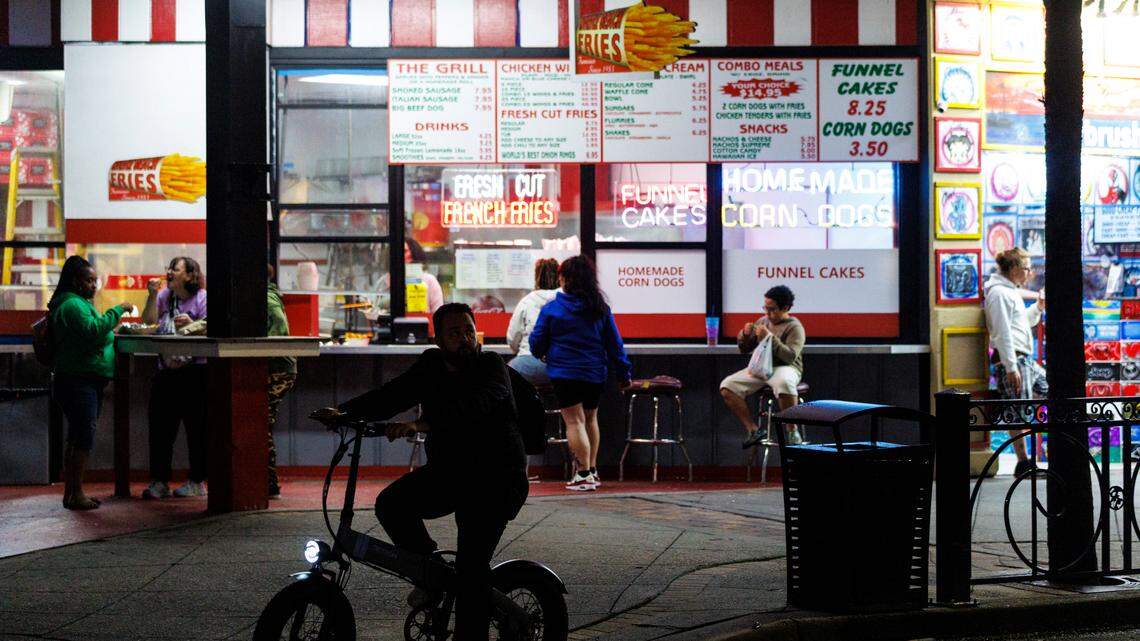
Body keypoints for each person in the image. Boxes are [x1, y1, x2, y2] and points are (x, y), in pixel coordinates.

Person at [327, 303, 528, 641]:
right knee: (392, 504)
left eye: (468, 331)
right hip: (450, 473)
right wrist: (342, 413)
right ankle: (430, 576)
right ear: (438, 340)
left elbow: (475, 406)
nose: (464, 339)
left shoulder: (491, 366)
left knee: (470, 572)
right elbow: (393, 394)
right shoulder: (431, 365)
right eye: (454, 333)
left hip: (495, 479)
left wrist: (421, 423)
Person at [529, 255, 631, 491]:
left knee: (574, 422)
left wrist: (543, 352)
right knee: (591, 419)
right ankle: (592, 470)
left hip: (565, 373)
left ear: (563, 278)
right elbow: (615, 344)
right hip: (595, 373)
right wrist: (624, 374)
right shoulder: (600, 309)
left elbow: (536, 342)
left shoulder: (552, 309)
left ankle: (583, 474)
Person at [49, 256, 133, 510]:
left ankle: (73, 492)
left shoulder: (75, 303)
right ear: (75, 280)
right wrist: (117, 311)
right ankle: (75, 494)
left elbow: (92, 332)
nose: (94, 285)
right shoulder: (72, 305)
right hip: (78, 380)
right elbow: (92, 330)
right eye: (89, 280)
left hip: (81, 379)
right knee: (82, 436)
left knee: (77, 436)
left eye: (95, 280)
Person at [140, 257, 209, 499]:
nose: (169, 272)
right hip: (166, 371)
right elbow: (148, 323)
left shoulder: (202, 298)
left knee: (197, 430)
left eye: (175, 269)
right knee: (160, 429)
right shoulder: (164, 297)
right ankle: (159, 481)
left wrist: (193, 324)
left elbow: (211, 328)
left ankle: (197, 480)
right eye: (169, 268)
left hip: (195, 373)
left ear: (190, 275)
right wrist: (151, 295)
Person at [984, 247, 1047, 477]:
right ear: (1013, 269)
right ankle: (1023, 462)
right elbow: (1002, 332)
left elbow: (1019, 325)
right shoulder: (999, 293)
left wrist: (1038, 308)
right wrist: (1011, 367)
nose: (1029, 273)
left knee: (1039, 396)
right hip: (1014, 360)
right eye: (1026, 268)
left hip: (1022, 359)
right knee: (1019, 410)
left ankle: (1025, 460)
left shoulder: (1009, 292)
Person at [720, 285, 806, 449]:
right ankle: (753, 430)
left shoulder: (795, 327)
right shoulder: (763, 321)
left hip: (785, 367)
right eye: (765, 309)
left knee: (784, 383)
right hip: (761, 367)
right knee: (727, 386)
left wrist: (770, 338)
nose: (767, 314)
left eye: (772, 309)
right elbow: (744, 349)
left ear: (785, 308)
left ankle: (791, 430)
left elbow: (789, 356)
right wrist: (745, 336)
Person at [267, 264, 297, 500]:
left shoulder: (267, 299)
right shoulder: (266, 296)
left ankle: (269, 482)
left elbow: (279, 331)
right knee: (262, 422)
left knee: (261, 422)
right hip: (275, 368)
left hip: (277, 370)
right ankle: (268, 482)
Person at [505, 258, 560, 387]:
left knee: (507, 375)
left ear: (537, 277)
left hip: (528, 363)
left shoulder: (527, 301)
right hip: (561, 366)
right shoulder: (566, 301)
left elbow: (512, 339)